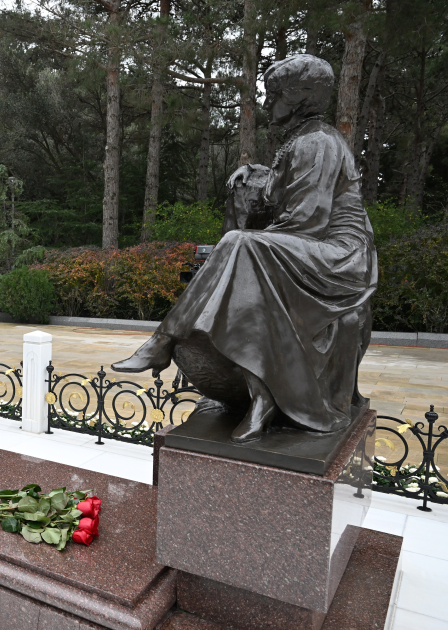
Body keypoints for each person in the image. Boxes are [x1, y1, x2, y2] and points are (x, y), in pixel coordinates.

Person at [113, 54, 377, 444]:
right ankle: (260, 397)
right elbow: (287, 189)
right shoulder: (302, 140)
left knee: (241, 245)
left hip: (340, 257)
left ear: (299, 98)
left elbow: (305, 221)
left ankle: (163, 340)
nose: (268, 104)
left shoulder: (318, 142)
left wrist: (245, 245)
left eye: (274, 96)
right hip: (313, 247)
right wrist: (256, 172)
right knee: (244, 255)